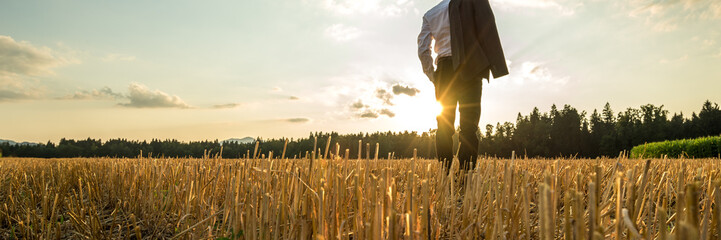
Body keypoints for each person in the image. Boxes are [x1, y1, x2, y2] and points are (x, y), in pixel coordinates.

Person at [418, 0, 508, 172]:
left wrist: (433, 75)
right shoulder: (471, 3)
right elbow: (485, 29)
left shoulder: (431, 14)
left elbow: (423, 49)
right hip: (470, 66)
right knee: (469, 126)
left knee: (444, 125)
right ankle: (466, 175)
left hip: (444, 71)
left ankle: (446, 175)